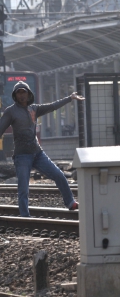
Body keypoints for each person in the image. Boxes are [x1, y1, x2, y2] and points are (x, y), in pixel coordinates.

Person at [0, 81, 85, 217]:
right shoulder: (11, 111)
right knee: (23, 189)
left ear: (28, 94)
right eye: (19, 93)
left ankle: (70, 203)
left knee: (59, 175)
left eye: (24, 92)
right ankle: (25, 216)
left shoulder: (34, 109)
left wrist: (70, 98)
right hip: (22, 156)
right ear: (15, 96)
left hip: (38, 154)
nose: (22, 95)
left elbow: (52, 106)